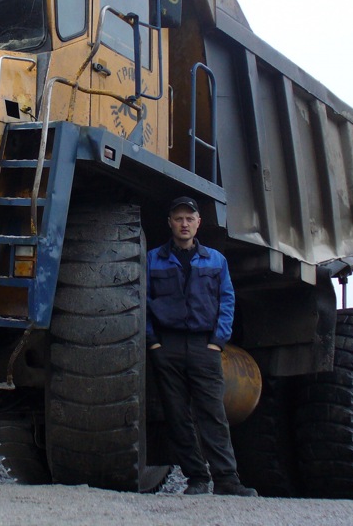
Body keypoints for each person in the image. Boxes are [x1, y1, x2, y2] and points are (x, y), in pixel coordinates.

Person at [146, 196, 258, 497]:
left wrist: (217, 342)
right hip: (166, 347)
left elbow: (227, 300)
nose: (184, 223)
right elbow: (140, 301)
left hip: (203, 347)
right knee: (177, 416)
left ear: (198, 223)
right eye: (179, 218)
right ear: (170, 222)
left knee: (213, 414)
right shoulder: (152, 259)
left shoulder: (215, 261)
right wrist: (153, 342)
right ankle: (196, 478)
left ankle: (226, 480)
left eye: (189, 218)